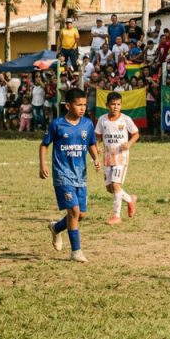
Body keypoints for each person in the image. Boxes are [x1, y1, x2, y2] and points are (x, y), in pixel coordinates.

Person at [41, 88, 101, 263]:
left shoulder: (87, 124)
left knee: (81, 214)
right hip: (62, 174)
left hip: (80, 175)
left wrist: (96, 158)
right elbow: (44, 145)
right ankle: (76, 251)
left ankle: (56, 228)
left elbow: (91, 143)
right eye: (78, 105)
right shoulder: (57, 124)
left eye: (84, 105)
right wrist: (43, 164)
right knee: (73, 211)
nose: (82, 108)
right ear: (68, 105)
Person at [95, 91, 140, 226]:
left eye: (118, 104)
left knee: (116, 185)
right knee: (110, 188)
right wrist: (97, 145)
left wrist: (129, 143)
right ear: (107, 105)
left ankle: (116, 216)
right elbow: (98, 135)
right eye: (113, 104)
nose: (115, 107)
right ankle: (130, 199)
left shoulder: (125, 119)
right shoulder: (102, 120)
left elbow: (136, 134)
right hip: (108, 156)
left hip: (121, 156)